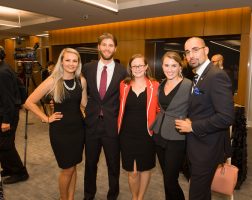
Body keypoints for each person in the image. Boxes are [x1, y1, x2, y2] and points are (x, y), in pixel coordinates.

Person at [175, 37, 234, 200]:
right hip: (199, 145)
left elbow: (226, 117)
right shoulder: (199, 76)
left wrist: (193, 126)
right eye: (187, 52)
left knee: (196, 194)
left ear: (206, 50)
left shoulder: (216, 76)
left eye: (195, 50)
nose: (191, 55)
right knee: (202, 192)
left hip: (208, 147)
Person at [25, 48, 87, 200]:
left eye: (75, 60)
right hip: (60, 131)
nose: (71, 64)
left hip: (78, 130)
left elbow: (84, 103)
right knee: (67, 169)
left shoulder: (81, 81)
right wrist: (45, 118)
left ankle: (70, 198)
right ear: (61, 61)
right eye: (68, 60)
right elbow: (29, 102)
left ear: (78, 63)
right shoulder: (53, 80)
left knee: (73, 167)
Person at [82, 33, 127, 200]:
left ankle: (112, 195)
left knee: (113, 165)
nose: (107, 48)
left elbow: (125, 98)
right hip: (92, 124)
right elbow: (80, 91)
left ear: (115, 48)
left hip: (112, 126)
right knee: (90, 164)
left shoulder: (123, 71)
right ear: (98, 47)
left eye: (111, 45)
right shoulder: (87, 68)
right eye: (104, 44)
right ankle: (88, 195)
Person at [151, 51, 192, 200]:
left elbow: (197, 108)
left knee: (170, 179)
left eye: (174, 65)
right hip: (159, 134)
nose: (170, 69)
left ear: (180, 67)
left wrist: (191, 121)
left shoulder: (188, 85)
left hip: (177, 136)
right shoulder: (161, 84)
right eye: (166, 65)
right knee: (166, 178)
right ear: (162, 66)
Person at [117, 54, 158, 200]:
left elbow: (159, 110)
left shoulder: (155, 85)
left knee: (145, 168)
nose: (138, 68)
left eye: (141, 65)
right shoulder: (124, 85)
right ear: (130, 68)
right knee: (132, 171)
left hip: (147, 134)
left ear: (146, 67)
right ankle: (135, 197)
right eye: (134, 66)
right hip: (127, 134)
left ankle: (140, 198)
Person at [0, 45, 29, 184]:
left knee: (6, 145)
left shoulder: (3, 72)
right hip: (5, 112)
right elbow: (19, 86)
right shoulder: (4, 66)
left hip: (7, 115)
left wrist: (6, 121)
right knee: (2, 144)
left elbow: (8, 100)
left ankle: (20, 172)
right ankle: (8, 168)